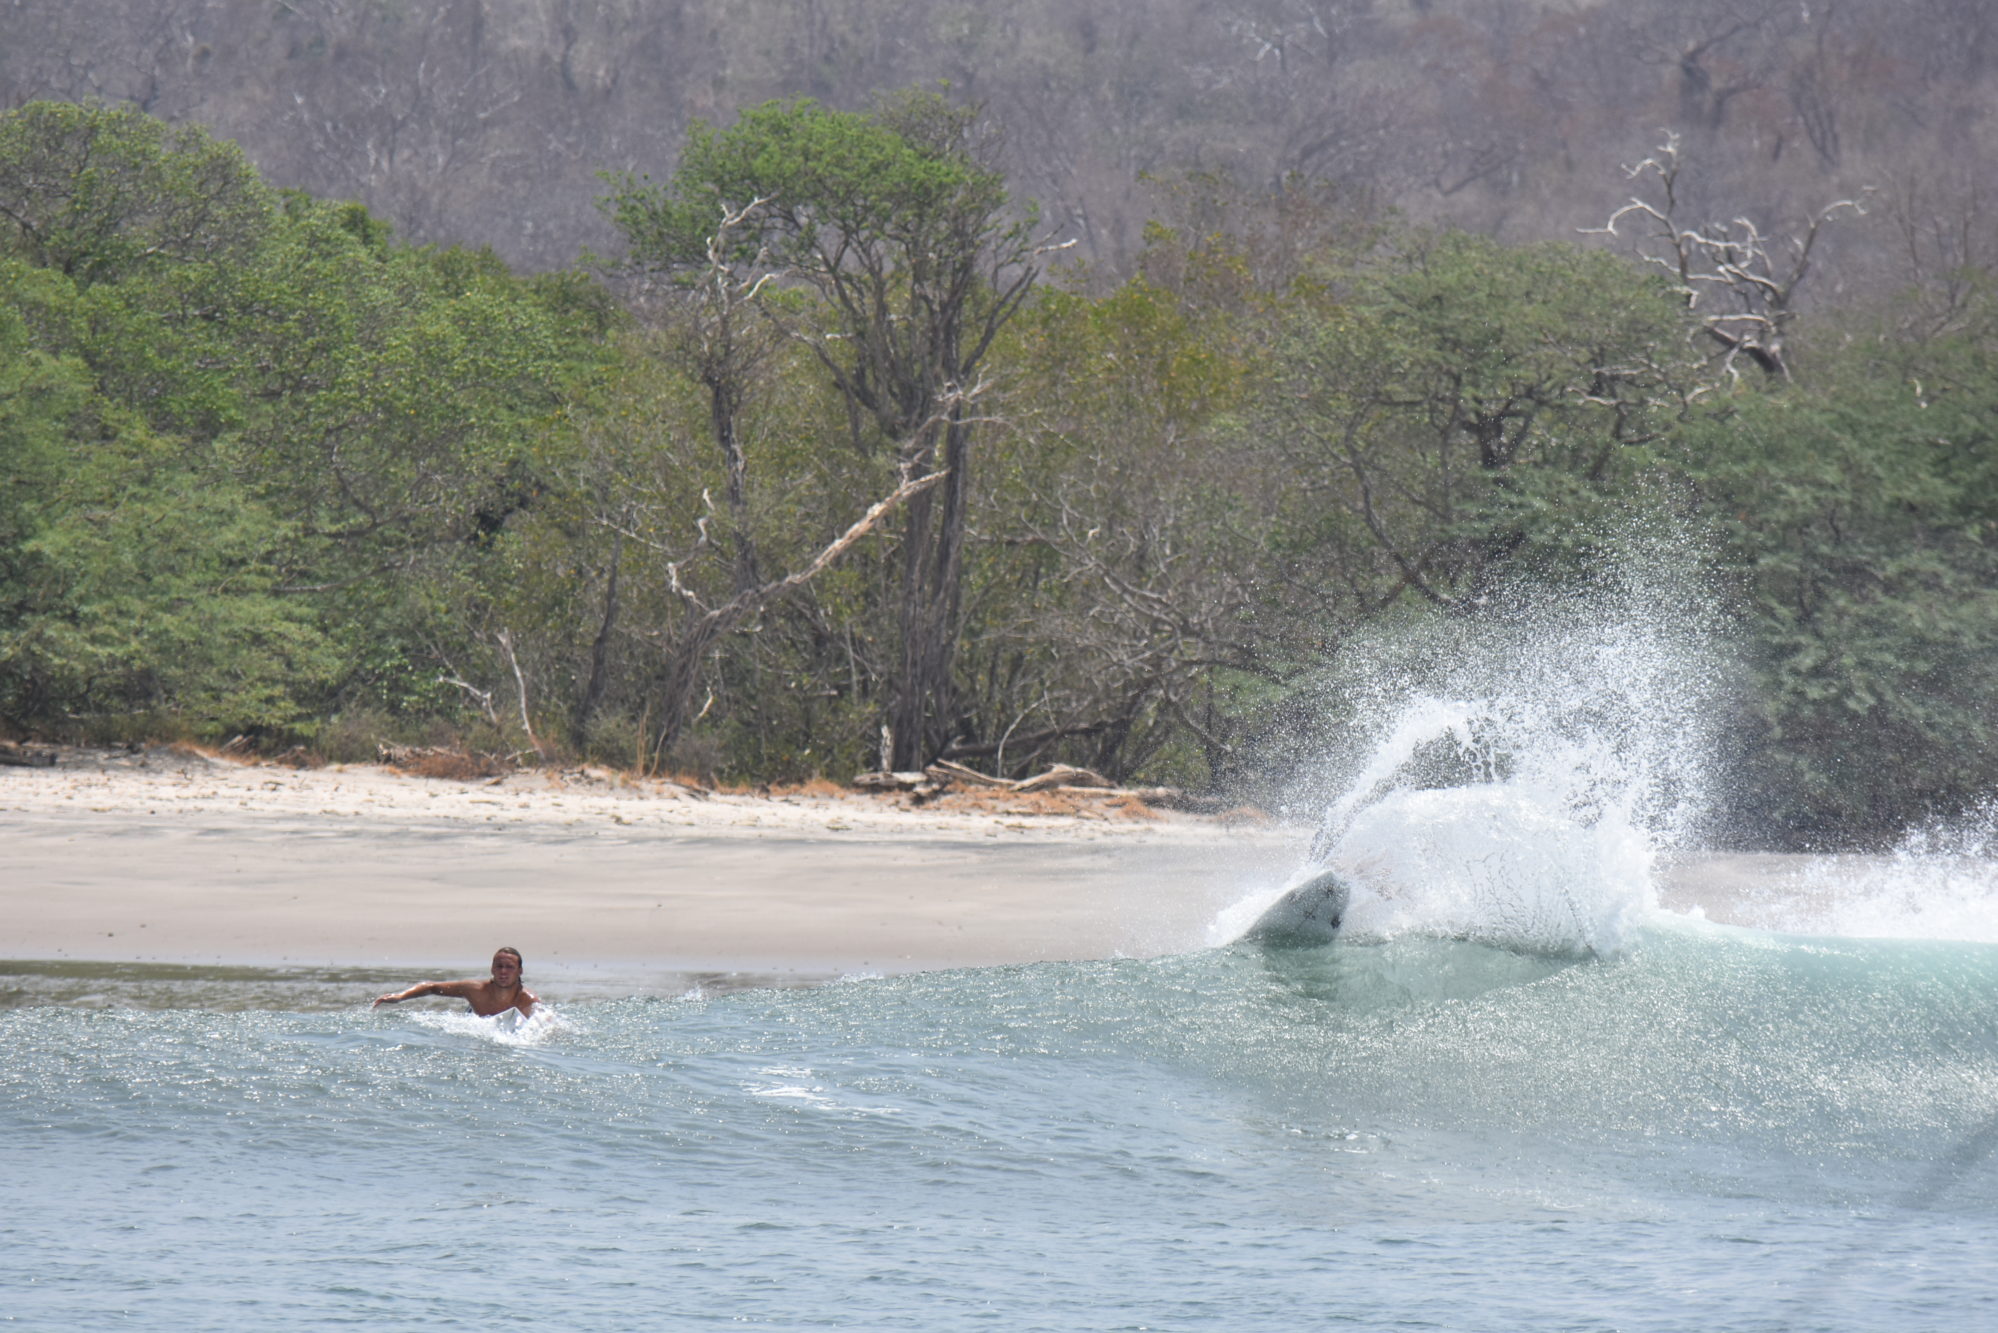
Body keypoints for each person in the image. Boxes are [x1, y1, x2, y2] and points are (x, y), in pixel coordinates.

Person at [372, 947, 538, 1017]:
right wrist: (401, 996)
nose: (503, 972)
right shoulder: (475, 990)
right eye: (499, 966)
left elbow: (543, 1024)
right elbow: (432, 987)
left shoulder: (527, 1000)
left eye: (509, 967)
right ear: (492, 969)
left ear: (520, 971)